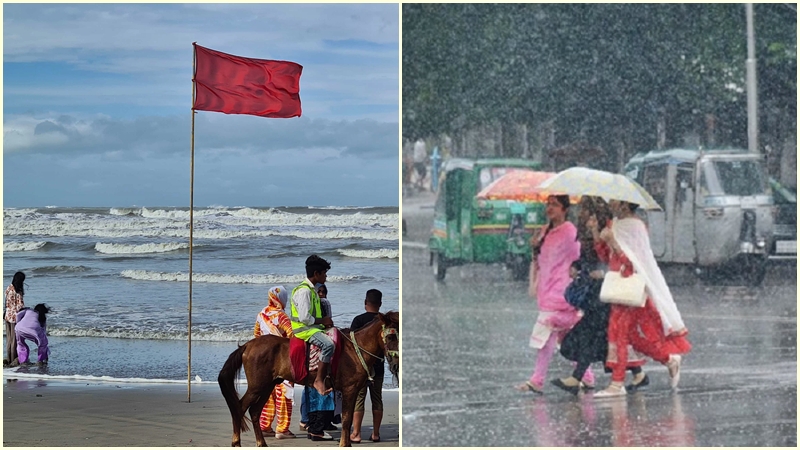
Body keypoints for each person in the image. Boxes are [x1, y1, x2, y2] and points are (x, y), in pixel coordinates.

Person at [592, 200, 692, 397]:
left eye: (614, 200)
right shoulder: (615, 224)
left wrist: (613, 241)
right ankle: (668, 359)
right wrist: (597, 233)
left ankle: (617, 382)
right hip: (618, 288)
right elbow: (607, 258)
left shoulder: (635, 227)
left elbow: (632, 264)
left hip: (631, 287)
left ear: (624, 203)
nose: (610, 203)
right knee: (629, 336)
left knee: (620, 334)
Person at [552, 198, 647, 395]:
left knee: (591, 334)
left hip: (604, 292)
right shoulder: (591, 229)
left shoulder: (612, 229)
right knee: (602, 338)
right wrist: (578, 266)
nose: (581, 213)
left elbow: (610, 257)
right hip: (596, 292)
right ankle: (638, 373)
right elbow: (592, 256)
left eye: (585, 209)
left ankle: (577, 377)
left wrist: (602, 271)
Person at [516, 195, 585, 394]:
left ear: (565, 209)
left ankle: (537, 380)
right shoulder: (545, 231)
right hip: (546, 291)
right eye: (548, 204)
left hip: (562, 292)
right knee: (566, 338)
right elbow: (541, 261)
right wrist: (535, 246)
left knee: (546, 335)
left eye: (554, 204)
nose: (549, 208)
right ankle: (586, 375)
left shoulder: (571, 232)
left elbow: (578, 259)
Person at [289, 255, 334, 397]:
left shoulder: (312, 290)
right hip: (304, 330)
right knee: (329, 345)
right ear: (316, 274)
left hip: (312, 328)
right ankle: (319, 380)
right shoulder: (305, 291)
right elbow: (304, 318)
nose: (326, 276)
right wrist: (323, 321)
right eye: (324, 273)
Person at [254, 286, 295, 439]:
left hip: (264, 360)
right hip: (281, 360)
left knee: (267, 394)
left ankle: (265, 426)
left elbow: (256, 336)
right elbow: (291, 337)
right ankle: (282, 429)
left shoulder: (261, 314)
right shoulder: (282, 316)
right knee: (284, 394)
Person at [349, 289, 385, 444]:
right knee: (377, 398)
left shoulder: (358, 320)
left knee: (359, 398)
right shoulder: (384, 323)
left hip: (360, 368)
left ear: (365, 303)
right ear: (380, 304)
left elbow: (349, 346)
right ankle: (376, 434)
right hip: (379, 366)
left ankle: (356, 433)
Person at [5, 271, 26, 366]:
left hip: (7, 315)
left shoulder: (9, 287)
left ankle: (9, 357)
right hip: (15, 317)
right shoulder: (18, 290)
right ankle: (14, 359)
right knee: (15, 339)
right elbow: (20, 306)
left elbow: (6, 302)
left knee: (9, 339)